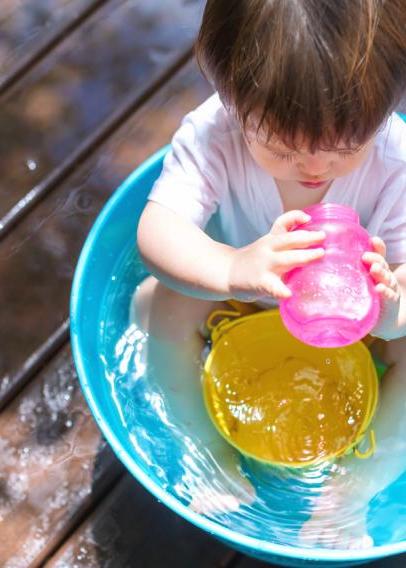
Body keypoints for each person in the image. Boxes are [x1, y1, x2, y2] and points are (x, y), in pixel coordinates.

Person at [132, 0, 406, 549]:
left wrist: (392, 306)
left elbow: (400, 296)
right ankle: (208, 452)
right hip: (245, 300)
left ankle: (351, 495)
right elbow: (156, 233)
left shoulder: (394, 160)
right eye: (281, 148)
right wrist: (233, 268)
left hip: (353, 323)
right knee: (154, 303)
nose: (314, 168)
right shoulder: (212, 135)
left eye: (345, 148)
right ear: (233, 99)